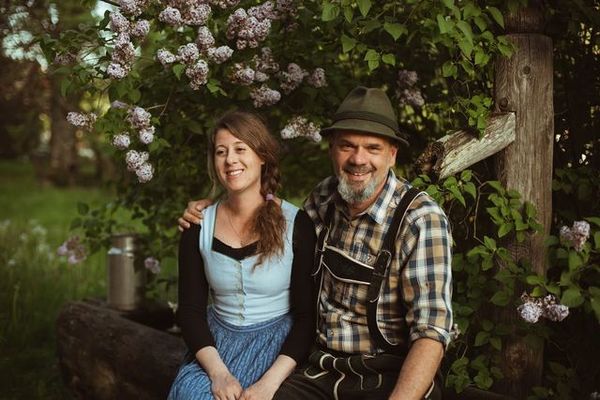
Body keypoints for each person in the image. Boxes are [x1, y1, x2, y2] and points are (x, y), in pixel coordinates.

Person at [179, 87, 453, 400]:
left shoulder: (420, 219)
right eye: (347, 146)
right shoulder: (323, 200)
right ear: (332, 149)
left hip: (386, 374)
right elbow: (264, 210)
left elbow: (431, 334)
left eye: (372, 148)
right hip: (321, 368)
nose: (358, 159)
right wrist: (211, 209)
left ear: (392, 154)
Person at [169, 111, 316, 400]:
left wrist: (269, 383)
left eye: (240, 149)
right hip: (216, 348)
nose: (230, 160)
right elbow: (190, 311)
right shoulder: (198, 225)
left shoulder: (296, 224)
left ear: (262, 156)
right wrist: (219, 374)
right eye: (221, 152)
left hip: (279, 349)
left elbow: (306, 317)